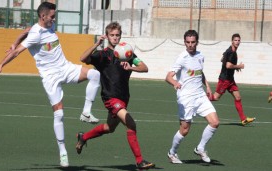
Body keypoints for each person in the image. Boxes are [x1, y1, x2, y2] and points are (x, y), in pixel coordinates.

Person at [0, 2, 101, 167]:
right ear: (43, 16)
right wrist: (0, 65)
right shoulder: (36, 34)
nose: (54, 19)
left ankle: (86, 112)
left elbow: (24, 31)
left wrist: (15, 40)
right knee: (59, 114)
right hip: (50, 77)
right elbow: (18, 51)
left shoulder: (49, 24)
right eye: (52, 16)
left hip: (65, 68)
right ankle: (62, 151)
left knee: (95, 74)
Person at [75, 21, 155, 170]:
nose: (115, 38)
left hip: (124, 97)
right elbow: (83, 58)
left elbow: (144, 67)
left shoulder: (127, 53)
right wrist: (96, 44)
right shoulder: (102, 55)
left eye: (117, 35)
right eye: (112, 35)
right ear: (107, 36)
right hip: (110, 98)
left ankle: (83, 137)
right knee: (131, 124)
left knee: (109, 128)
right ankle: (140, 161)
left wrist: (131, 66)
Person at [165, 30, 219, 164]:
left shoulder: (201, 56)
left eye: (193, 42)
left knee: (215, 122)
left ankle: (200, 148)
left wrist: (207, 86)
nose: (190, 45)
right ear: (184, 43)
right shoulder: (182, 58)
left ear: (197, 42)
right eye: (188, 42)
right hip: (186, 98)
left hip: (200, 95)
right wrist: (175, 83)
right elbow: (168, 77)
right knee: (185, 130)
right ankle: (172, 153)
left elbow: (200, 73)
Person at [208, 33, 255, 126]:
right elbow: (228, 65)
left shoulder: (229, 51)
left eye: (238, 40)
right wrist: (239, 66)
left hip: (230, 80)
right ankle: (197, 101)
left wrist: (234, 67)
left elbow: (222, 59)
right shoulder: (231, 52)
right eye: (235, 40)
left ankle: (243, 119)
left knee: (238, 97)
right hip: (224, 80)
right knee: (215, 98)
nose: (237, 42)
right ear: (232, 41)